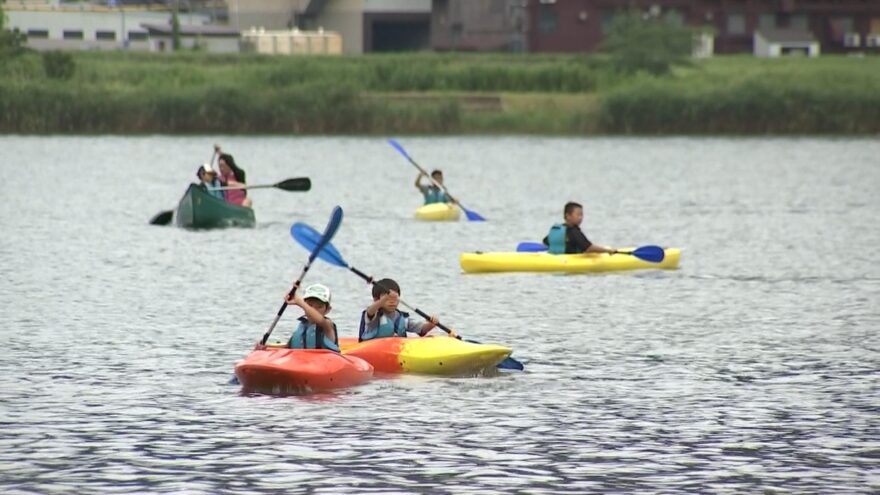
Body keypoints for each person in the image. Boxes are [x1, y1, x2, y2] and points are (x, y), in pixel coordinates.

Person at [358, 279, 438, 342]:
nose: (392, 301)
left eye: (395, 298)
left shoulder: (401, 317)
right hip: (374, 350)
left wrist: (431, 324)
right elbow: (370, 311)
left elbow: (422, 329)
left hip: (395, 348)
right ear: (376, 300)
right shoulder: (374, 316)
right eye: (388, 298)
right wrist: (382, 300)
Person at [542, 201, 618, 255]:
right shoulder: (574, 232)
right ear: (568, 216)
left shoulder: (557, 229)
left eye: (581, 215)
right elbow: (589, 248)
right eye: (578, 215)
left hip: (555, 260)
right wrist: (607, 250)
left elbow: (546, 241)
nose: (580, 218)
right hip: (570, 261)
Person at [283, 283, 340, 352]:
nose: (313, 309)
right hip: (301, 360)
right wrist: (267, 346)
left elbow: (320, 321)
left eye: (319, 307)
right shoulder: (302, 325)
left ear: (327, 310)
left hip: (325, 361)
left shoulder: (327, 325)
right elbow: (287, 347)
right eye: (310, 305)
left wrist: (299, 302)